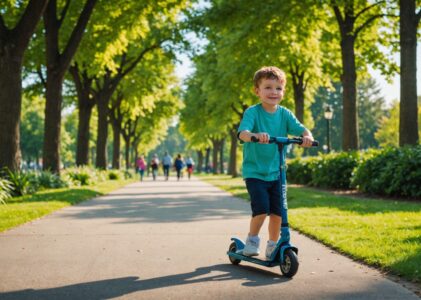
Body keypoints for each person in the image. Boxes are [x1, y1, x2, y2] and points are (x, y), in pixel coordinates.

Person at [237, 66, 314, 259]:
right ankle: (252, 240)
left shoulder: (285, 114)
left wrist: (307, 137)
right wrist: (255, 135)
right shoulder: (252, 112)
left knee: (279, 213)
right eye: (268, 87)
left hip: (277, 172)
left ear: (283, 92)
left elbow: (302, 129)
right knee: (262, 209)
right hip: (255, 172)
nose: (274, 92)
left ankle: (273, 246)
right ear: (257, 91)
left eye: (278, 88)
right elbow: (243, 133)